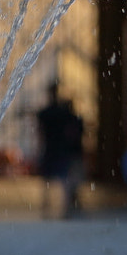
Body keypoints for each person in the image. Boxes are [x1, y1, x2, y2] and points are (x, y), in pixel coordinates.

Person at [35, 81, 85, 218]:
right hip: (61, 147)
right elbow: (70, 132)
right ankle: (66, 205)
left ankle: (46, 205)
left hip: (51, 147)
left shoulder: (46, 113)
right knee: (63, 178)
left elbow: (40, 132)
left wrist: (39, 148)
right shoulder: (64, 113)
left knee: (48, 179)